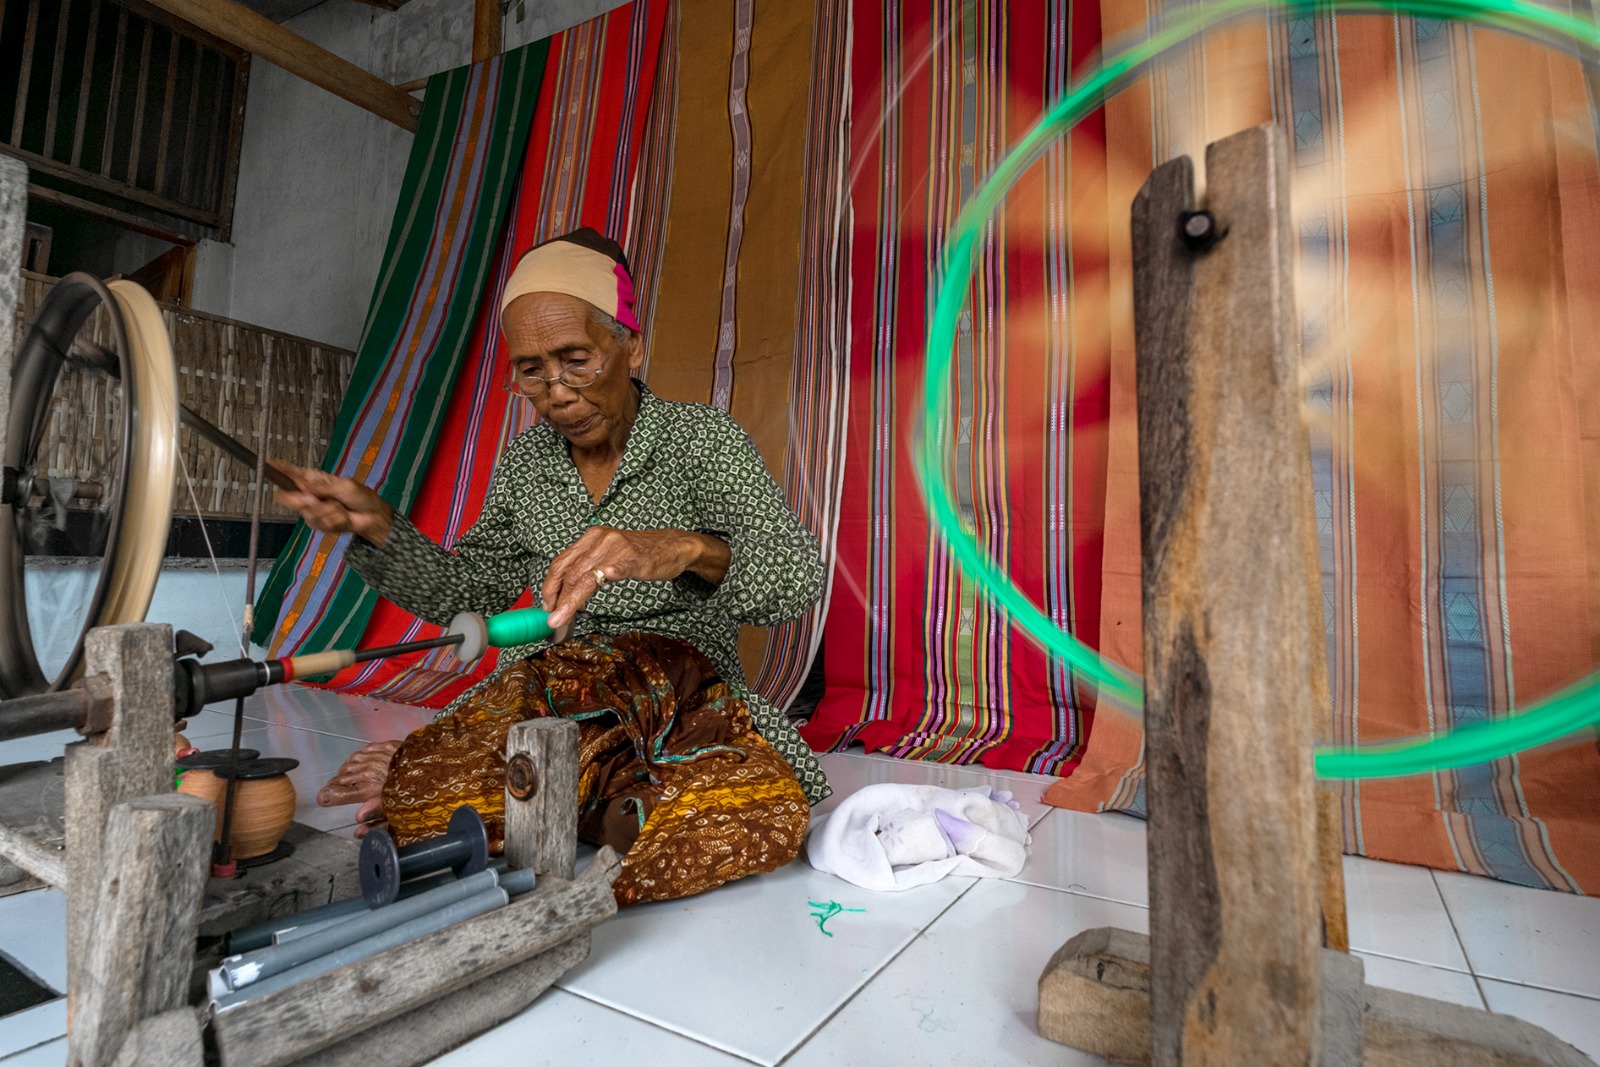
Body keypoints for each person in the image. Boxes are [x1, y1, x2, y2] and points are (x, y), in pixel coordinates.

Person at [275, 228, 829, 904]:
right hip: (550, 701)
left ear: (632, 347)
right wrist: (381, 528)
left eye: (576, 359)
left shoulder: (702, 442)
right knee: (419, 802)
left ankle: (573, 793)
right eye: (531, 369)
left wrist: (683, 547)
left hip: (681, 701)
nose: (556, 391)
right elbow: (467, 590)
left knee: (757, 808)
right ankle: (595, 793)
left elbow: (796, 577)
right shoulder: (526, 462)